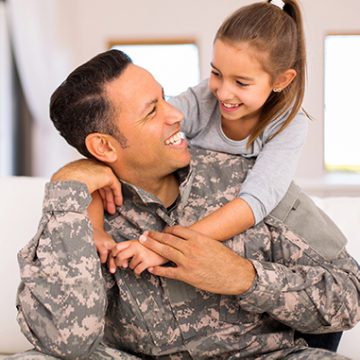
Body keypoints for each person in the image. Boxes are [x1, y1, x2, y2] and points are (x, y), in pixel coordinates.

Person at [8, 49, 360, 360]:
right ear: (104, 147)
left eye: (164, 97)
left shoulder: (252, 181)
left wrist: (243, 277)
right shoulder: (78, 211)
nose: (176, 114)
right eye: (152, 111)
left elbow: (350, 294)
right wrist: (67, 188)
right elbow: (66, 343)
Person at [90, 0, 310, 275]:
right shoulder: (205, 96)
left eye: (241, 83)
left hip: (225, 242)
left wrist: (162, 248)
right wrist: (95, 228)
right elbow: (137, 139)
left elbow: (254, 203)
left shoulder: (289, 125)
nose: (222, 92)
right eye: (216, 73)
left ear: (281, 80)